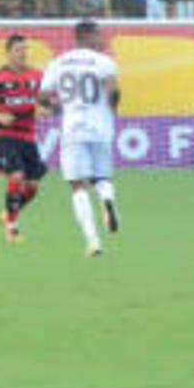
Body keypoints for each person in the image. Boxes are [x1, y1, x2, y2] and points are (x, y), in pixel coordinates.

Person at [41, 20, 120, 257]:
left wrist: (58, 108)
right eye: (99, 35)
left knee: (77, 186)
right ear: (86, 36)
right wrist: (112, 109)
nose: (103, 39)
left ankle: (93, 241)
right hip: (101, 127)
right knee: (102, 176)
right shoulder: (104, 62)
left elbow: (43, 96)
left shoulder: (58, 62)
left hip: (73, 127)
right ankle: (107, 200)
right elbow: (113, 91)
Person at [0, 34, 47, 243]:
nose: (23, 53)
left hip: (28, 135)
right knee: (16, 177)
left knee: (33, 186)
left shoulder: (37, 75)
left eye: (25, 49)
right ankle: (12, 228)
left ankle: (8, 213)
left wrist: (42, 109)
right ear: (8, 53)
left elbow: (43, 102)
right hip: (5, 134)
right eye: (19, 50)